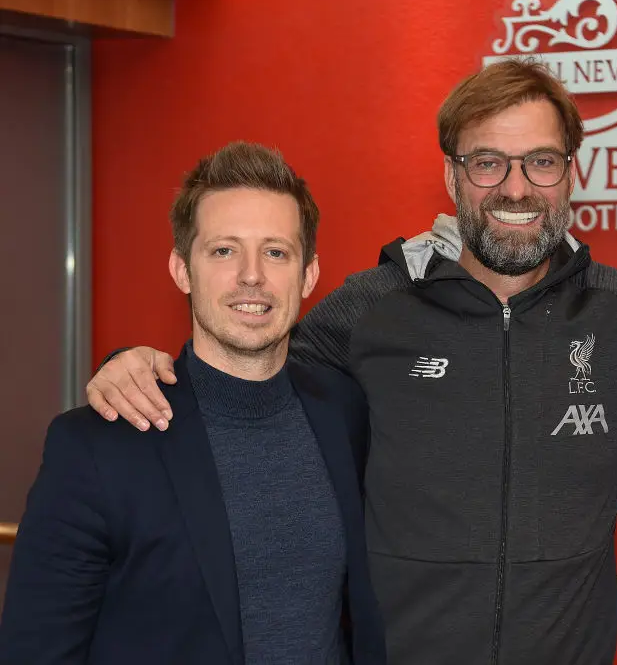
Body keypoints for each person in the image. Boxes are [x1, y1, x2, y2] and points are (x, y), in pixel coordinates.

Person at [82, 61, 617, 665]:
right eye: (488, 162)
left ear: (570, 175)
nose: (516, 187)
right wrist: (135, 361)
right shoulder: (371, 308)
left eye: (540, 161)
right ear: (452, 174)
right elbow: (243, 358)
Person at [0, 142, 386, 665]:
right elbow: (36, 649)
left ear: (309, 275)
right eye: (224, 250)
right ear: (183, 270)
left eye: (276, 252)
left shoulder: (344, 411)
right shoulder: (97, 444)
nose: (252, 275)